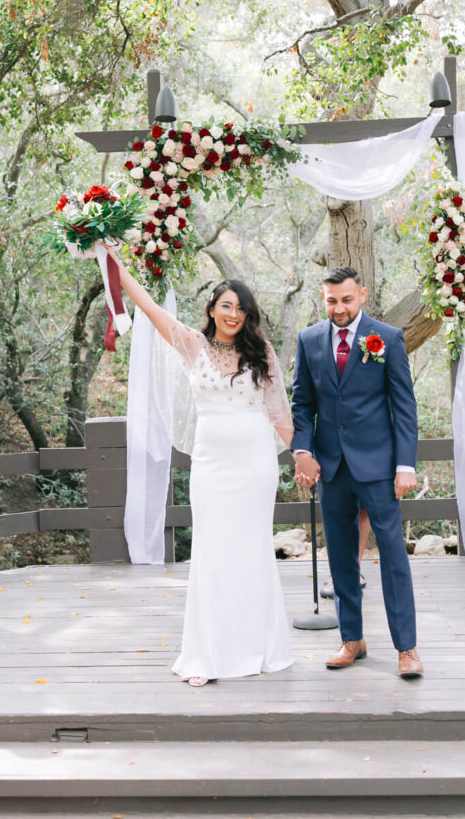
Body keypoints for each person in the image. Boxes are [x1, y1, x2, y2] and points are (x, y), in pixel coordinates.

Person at [104, 248, 293, 687]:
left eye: (241, 309)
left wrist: (303, 454)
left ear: (249, 317)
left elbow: (279, 414)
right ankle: (207, 655)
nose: (233, 314)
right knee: (212, 551)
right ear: (212, 308)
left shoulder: (261, 352)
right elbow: (148, 306)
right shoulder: (193, 344)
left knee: (251, 552)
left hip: (255, 465)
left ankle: (257, 648)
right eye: (226, 305)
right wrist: (112, 260)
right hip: (211, 464)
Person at [291, 266, 424, 679]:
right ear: (323, 298)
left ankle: (407, 648)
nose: (339, 308)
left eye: (347, 299)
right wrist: (302, 450)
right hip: (332, 467)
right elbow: (302, 403)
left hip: (380, 468)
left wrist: (405, 465)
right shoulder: (309, 340)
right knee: (342, 557)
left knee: (393, 556)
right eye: (332, 300)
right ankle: (352, 639)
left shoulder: (387, 338)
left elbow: (404, 406)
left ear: (362, 295)